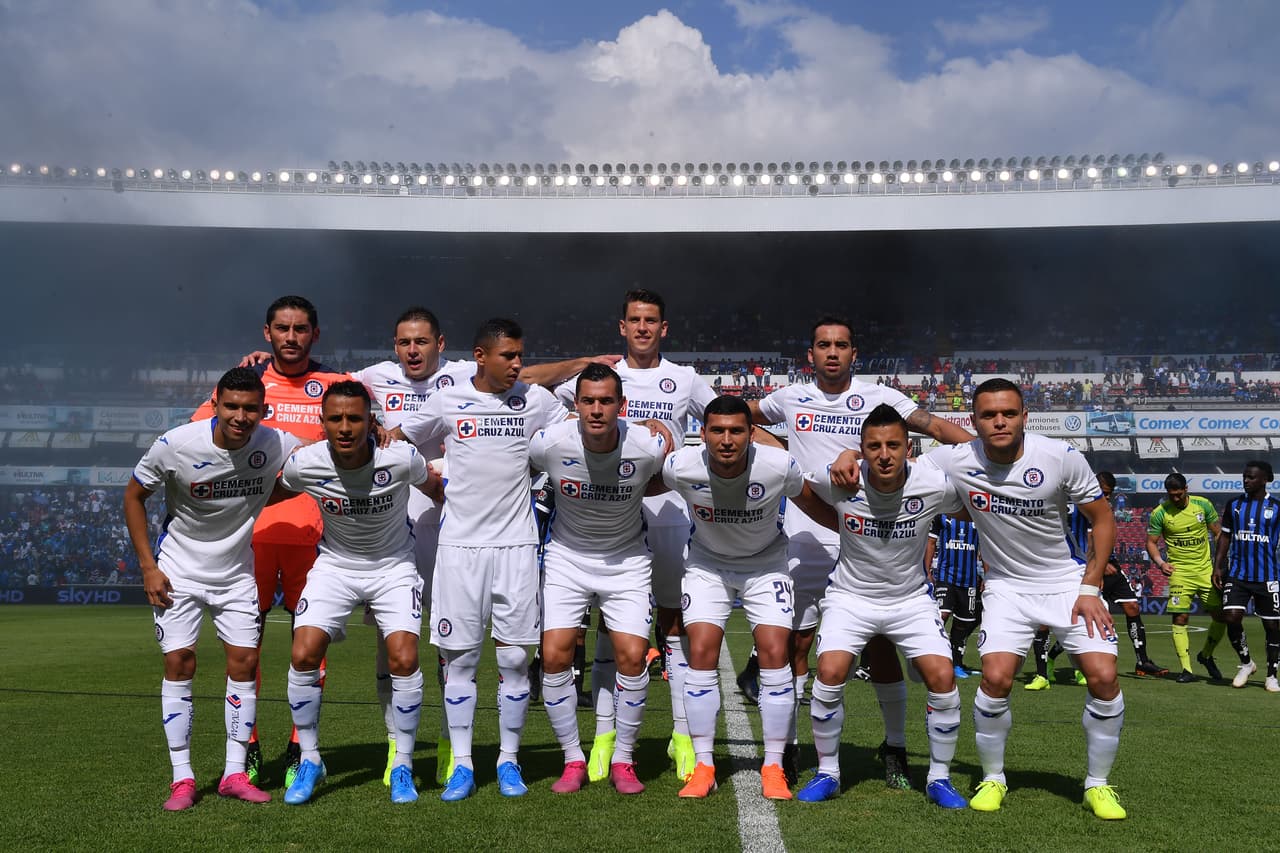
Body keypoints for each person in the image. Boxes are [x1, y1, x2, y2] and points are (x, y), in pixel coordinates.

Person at [742, 316, 975, 788]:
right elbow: (735, 415)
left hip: (869, 527)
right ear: (811, 354)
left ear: (854, 353)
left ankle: (894, 749)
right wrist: (779, 454)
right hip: (808, 528)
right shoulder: (788, 396)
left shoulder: (879, 398)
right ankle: (785, 749)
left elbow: (929, 425)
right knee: (794, 644)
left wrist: (989, 453)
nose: (832, 352)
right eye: (823, 345)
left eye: (841, 345)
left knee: (882, 643)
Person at [922, 378, 1127, 820]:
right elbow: (896, 455)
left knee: (1104, 677)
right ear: (973, 421)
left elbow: (1102, 519)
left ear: (1024, 417)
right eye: (988, 415)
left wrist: (1090, 588)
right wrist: (849, 454)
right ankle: (993, 777)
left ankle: (1098, 785)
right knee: (995, 679)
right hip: (1006, 588)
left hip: (1067, 583)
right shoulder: (956, 460)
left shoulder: (1059, 456)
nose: (999, 421)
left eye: (1008, 414)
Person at [392, 318, 568, 801]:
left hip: (516, 547)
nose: (517, 365)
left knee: (514, 658)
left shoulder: (537, 402)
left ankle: (509, 761)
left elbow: (578, 436)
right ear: (480, 356)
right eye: (508, 355)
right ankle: (463, 765)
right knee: (461, 660)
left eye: (520, 355)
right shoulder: (447, 400)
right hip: (459, 549)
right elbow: (398, 438)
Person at [553, 290, 716, 782]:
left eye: (651, 321)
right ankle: (604, 739)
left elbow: (727, 419)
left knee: (673, 627)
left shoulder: (685, 379)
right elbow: (552, 413)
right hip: (603, 514)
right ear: (621, 326)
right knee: (610, 631)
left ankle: (682, 736)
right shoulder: (598, 379)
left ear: (663, 328)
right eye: (634, 320)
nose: (643, 328)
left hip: (665, 510)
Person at [124, 368, 297, 810]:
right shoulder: (176, 443)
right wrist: (148, 566)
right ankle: (182, 778)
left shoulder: (276, 442)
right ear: (215, 402)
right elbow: (133, 497)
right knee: (180, 664)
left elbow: (325, 452)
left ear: (264, 409)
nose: (241, 416)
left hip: (236, 573)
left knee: (245, 663)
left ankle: (234, 773)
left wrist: (381, 433)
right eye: (232, 406)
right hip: (178, 570)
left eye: (251, 408)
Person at [195, 295, 348, 786]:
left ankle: (304, 748)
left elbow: (365, 434)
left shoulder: (337, 387)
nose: (291, 336)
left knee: (310, 649)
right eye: (282, 328)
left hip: (315, 538)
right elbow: (199, 436)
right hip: (251, 538)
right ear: (267, 333)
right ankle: (250, 744)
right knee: (246, 648)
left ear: (315, 334)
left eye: (301, 328)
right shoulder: (245, 384)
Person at [273, 381, 443, 805]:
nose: (345, 427)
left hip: (394, 567)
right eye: (335, 418)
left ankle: (402, 762)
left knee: (404, 657)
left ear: (372, 421)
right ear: (322, 423)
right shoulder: (306, 464)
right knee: (303, 653)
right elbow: (270, 492)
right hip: (335, 567)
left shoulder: (400, 457)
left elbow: (436, 491)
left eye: (354, 418)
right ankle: (311, 759)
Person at [662, 395, 834, 801]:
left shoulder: (778, 466)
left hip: (766, 564)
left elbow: (811, 503)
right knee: (701, 650)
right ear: (701, 434)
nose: (726, 440)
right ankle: (704, 765)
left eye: (736, 430)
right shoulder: (680, 466)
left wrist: (854, 532)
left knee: (776, 651)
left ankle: (773, 766)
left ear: (752, 434)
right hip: (706, 565)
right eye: (717, 431)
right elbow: (641, 483)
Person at [796, 404, 968, 808]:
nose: (884, 454)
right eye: (873, 446)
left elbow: (974, 495)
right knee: (832, 672)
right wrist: (836, 510)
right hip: (850, 597)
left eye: (894, 444)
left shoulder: (934, 483)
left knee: (942, 677)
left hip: (910, 600)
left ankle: (939, 779)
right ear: (862, 449)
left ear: (909, 448)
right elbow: (800, 487)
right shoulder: (840, 478)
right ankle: (828, 772)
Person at [531, 363, 672, 794]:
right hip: (567, 559)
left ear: (621, 406)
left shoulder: (646, 446)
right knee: (554, 656)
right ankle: (573, 758)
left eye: (606, 401)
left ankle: (624, 760)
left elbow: (671, 460)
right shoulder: (550, 444)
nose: (596, 410)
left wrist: (662, 426)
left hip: (627, 560)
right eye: (588, 401)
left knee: (632, 657)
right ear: (575, 405)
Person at [1146, 473, 1229, 683]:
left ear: (1185, 490)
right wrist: (1161, 563)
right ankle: (1187, 669)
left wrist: (1220, 564)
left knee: (1220, 617)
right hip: (1180, 572)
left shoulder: (1203, 505)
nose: (1175, 498)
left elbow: (1218, 533)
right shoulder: (1159, 513)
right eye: (1171, 495)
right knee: (1180, 618)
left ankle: (1206, 655)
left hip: (1205, 571)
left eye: (1178, 494)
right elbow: (1151, 542)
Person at [1214, 461, 1280, 691]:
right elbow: (1225, 538)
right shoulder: (1234, 505)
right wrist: (1217, 566)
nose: (1246, 480)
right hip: (1238, 574)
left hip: (1268, 576)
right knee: (1231, 617)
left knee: (1272, 626)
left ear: (1264, 479)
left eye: (1251, 477)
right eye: (1245, 476)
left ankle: (1272, 675)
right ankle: (1246, 663)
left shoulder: (1276, 507)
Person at [924, 514, 982, 678]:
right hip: (945, 576)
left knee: (963, 624)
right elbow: (931, 542)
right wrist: (927, 570)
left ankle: (956, 664)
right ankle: (929, 659)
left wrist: (987, 573)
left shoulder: (977, 515)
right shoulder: (942, 516)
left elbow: (985, 546)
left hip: (969, 579)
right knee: (942, 615)